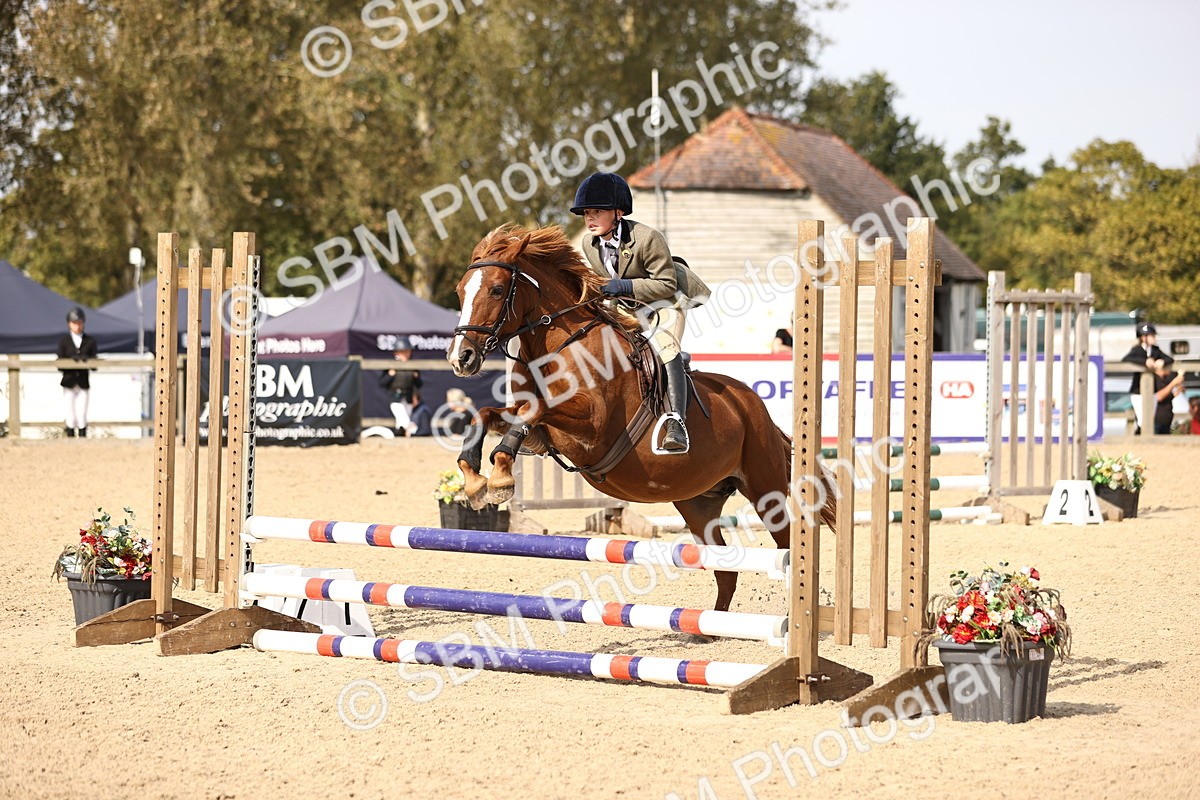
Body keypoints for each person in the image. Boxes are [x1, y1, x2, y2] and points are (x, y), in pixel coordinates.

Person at [571, 171, 710, 453]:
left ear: (618, 212)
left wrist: (623, 285)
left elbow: (666, 283)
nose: (590, 219)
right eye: (587, 213)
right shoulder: (589, 243)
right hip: (626, 306)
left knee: (666, 348)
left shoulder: (647, 238)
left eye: (597, 211)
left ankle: (676, 423)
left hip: (664, 302)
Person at [1121, 322, 1173, 434]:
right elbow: (1126, 359)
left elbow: (1170, 359)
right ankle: (1138, 438)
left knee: (1149, 418)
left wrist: (1162, 361)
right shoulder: (1137, 349)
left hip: (1152, 390)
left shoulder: (1155, 350)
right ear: (1143, 337)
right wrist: (1144, 362)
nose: (1154, 338)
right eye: (1152, 335)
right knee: (1142, 420)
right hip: (1138, 390)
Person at [56, 307, 98, 438]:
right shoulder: (64, 341)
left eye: (79, 323)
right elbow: (59, 364)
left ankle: (82, 439)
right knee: (70, 416)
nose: (77, 326)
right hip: (69, 381)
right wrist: (71, 361)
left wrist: (87, 360)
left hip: (83, 381)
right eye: (74, 323)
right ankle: (70, 439)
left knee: (82, 415)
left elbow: (95, 365)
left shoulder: (90, 341)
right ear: (69, 324)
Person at [380, 336, 422, 435]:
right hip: (395, 397)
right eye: (403, 351)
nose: (406, 354)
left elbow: (419, 385)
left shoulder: (413, 366)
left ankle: (399, 440)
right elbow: (382, 383)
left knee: (400, 424)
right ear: (397, 352)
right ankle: (415, 431)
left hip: (408, 397)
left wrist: (416, 377)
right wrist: (390, 375)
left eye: (408, 351)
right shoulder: (391, 365)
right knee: (405, 421)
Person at [1150, 361, 1184, 435]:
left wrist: (1177, 391)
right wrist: (1173, 383)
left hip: (1166, 421)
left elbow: (1167, 396)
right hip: (1155, 421)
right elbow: (1158, 397)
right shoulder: (1152, 379)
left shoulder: (1165, 380)